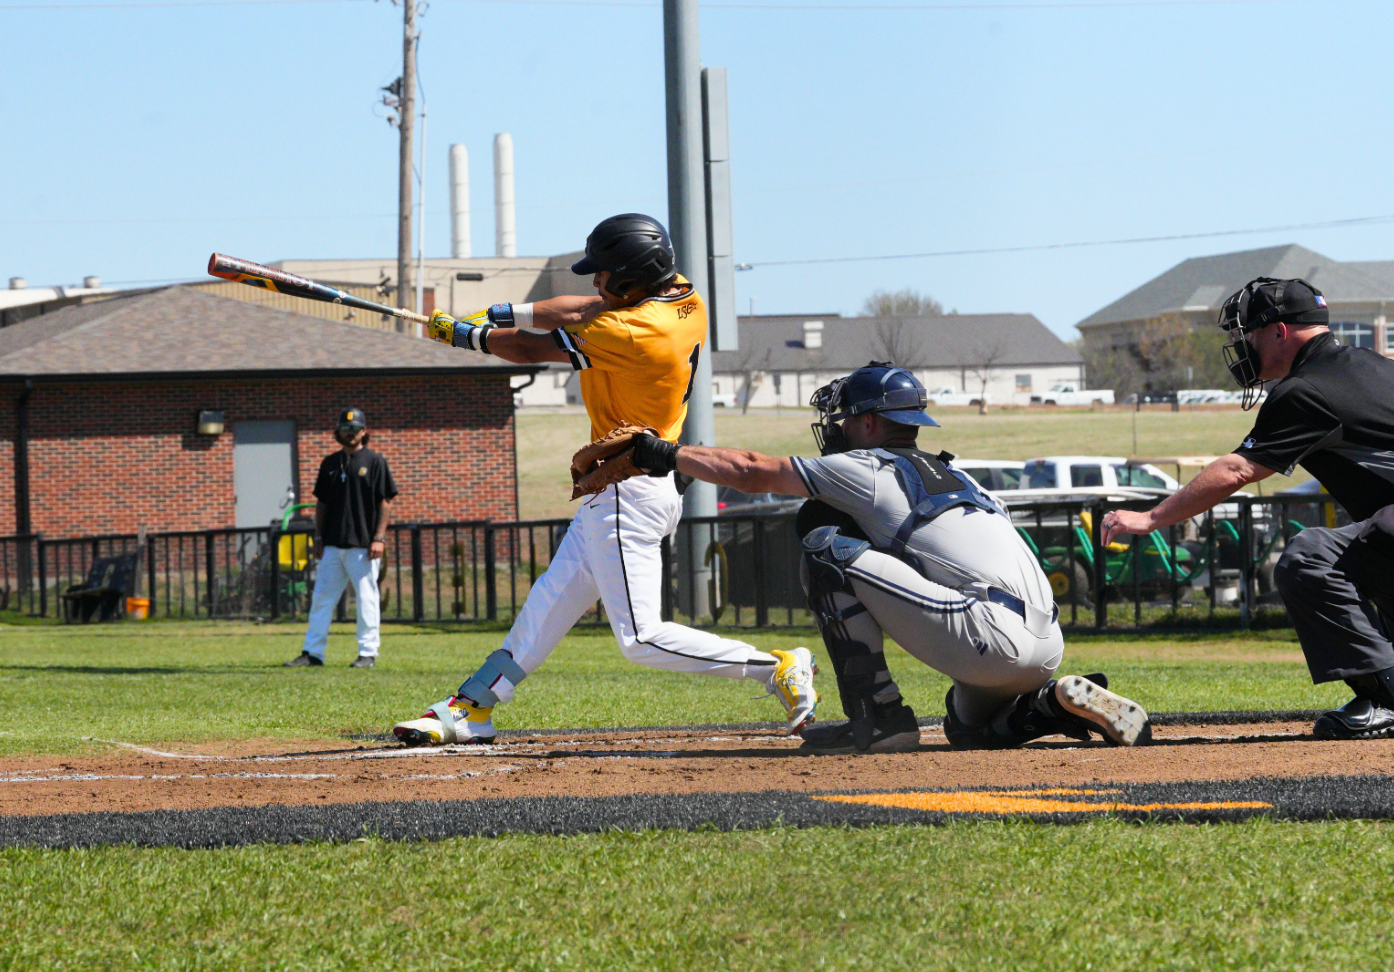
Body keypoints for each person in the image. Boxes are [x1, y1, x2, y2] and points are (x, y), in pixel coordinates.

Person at [390, 213, 814, 746]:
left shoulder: (634, 332)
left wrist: (471, 338)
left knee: (640, 638)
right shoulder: (682, 298)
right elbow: (582, 306)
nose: (596, 282)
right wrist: (497, 312)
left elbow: (529, 348)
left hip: (629, 492)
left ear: (634, 278)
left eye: (605, 273)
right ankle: (472, 707)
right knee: (547, 606)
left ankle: (775, 665)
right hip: (618, 489)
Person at [600, 361, 1150, 754]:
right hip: (1044, 644)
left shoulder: (869, 466)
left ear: (867, 423)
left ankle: (880, 717)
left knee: (823, 547)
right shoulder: (958, 474)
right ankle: (1052, 702)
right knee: (968, 729)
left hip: (985, 634)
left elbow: (750, 468)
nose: (835, 428)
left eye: (842, 418)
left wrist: (663, 453)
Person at [1102, 278, 1394, 739]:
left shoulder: (1306, 389)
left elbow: (1237, 469)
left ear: (1279, 332)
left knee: (1311, 559)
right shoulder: (1374, 365)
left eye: (1250, 335)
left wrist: (1150, 518)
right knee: (1390, 574)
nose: (1244, 347)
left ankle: (1391, 700)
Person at [284, 408, 397, 669]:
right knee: (322, 598)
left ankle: (367, 653)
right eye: (345, 428)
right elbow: (321, 504)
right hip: (333, 544)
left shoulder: (375, 461)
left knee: (366, 599)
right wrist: (319, 537)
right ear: (338, 432)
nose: (350, 432)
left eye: (355, 428)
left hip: (364, 545)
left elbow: (385, 503)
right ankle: (312, 653)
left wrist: (379, 538)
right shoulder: (330, 464)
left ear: (364, 432)